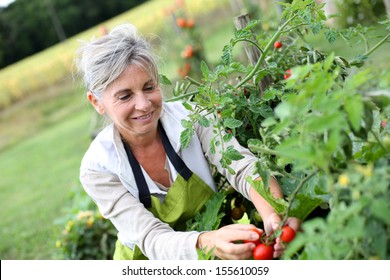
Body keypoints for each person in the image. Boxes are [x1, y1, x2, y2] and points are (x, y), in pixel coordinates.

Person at [75, 23, 300, 260]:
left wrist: (273, 213)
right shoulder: (98, 168)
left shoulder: (193, 118)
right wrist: (207, 241)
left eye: (149, 87)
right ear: (97, 102)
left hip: (216, 247)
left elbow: (243, 168)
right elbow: (151, 238)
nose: (143, 104)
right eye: (125, 96)